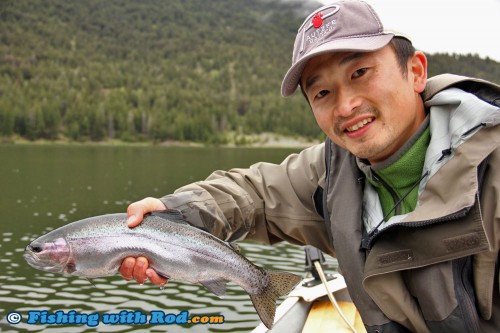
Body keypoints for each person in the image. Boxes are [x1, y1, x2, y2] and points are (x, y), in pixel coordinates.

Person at [118, 1, 500, 332]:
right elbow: (254, 195)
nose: (346, 105)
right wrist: (176, 216)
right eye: (322, 92)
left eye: (359, 73)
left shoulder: (492, 165)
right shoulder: (331, 173)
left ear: (415, 71)